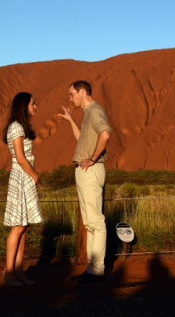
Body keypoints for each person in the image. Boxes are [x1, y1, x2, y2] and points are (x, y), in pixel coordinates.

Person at [58, 80, 111, 283]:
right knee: (90, 222)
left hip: (90, 171)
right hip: (84, 170)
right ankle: (92, 269)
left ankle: (96, 270)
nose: (70, 99)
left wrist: (93, 158)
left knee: (96, 222)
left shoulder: (95, 111)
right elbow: (82, 139)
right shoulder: (88, 114)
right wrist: (71, 120)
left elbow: (105, 134)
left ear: (82, 92)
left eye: (72, 94)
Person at [1, 92, 44, 286]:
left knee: (23, 227)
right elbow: (19, 157)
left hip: (25, 177)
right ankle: (9, 273)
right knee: (17, 226)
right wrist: (34, 176)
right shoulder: (16, 127)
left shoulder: (21, 127)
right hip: (21, 178)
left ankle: (19, 271)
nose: (36, 107)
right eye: (33, 104)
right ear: (24, 105)